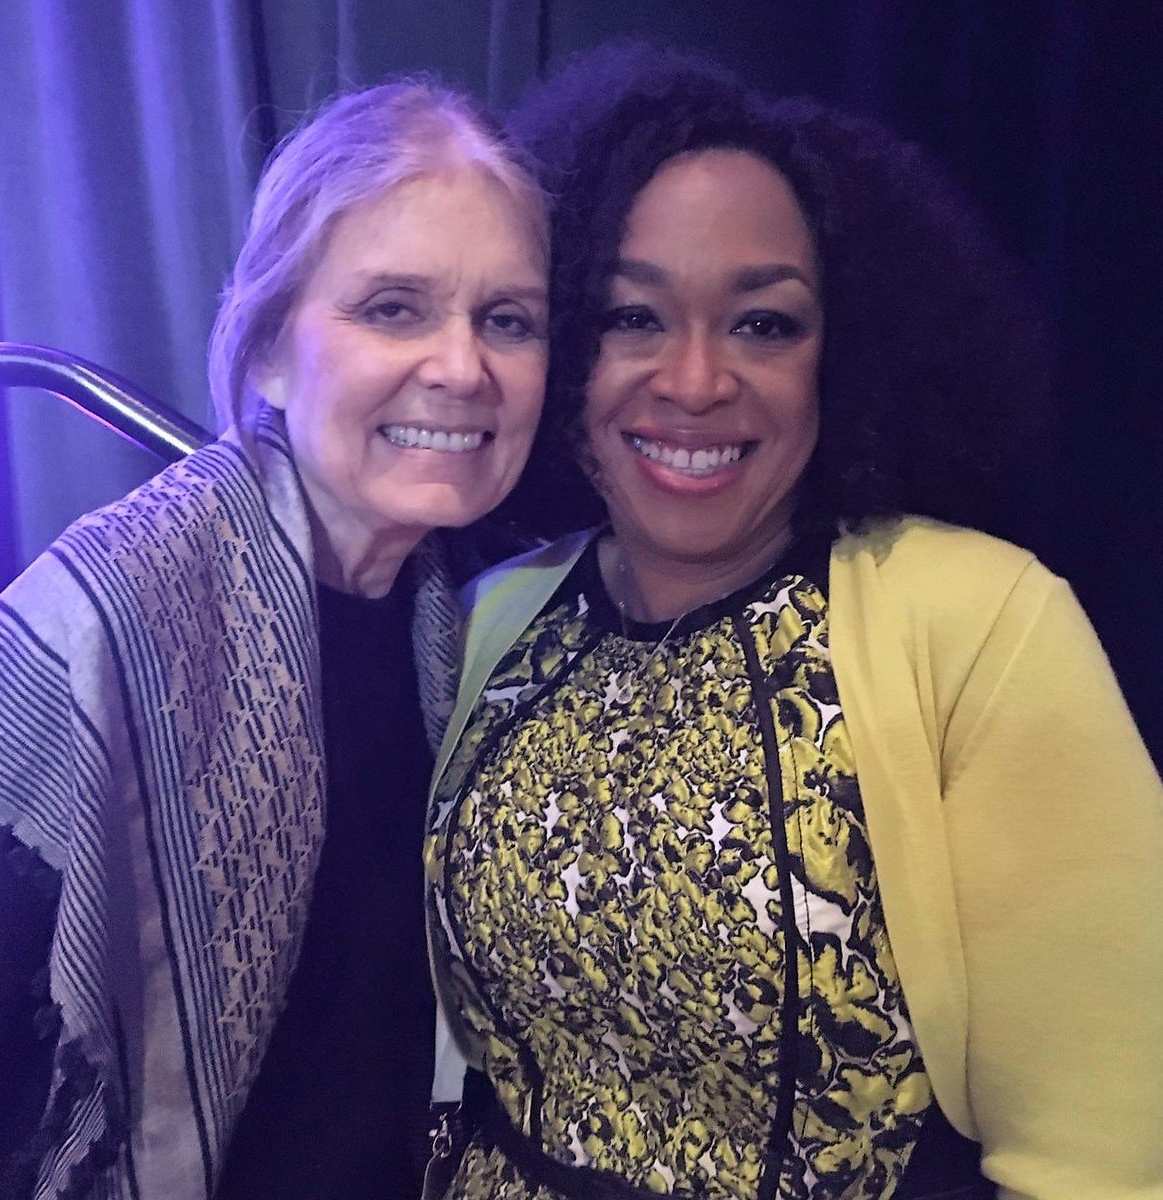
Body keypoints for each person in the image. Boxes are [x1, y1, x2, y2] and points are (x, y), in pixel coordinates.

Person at [422, 45, 1163, 1200]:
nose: (695, 381)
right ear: (560, 347)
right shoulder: (490, 620)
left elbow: (1103, 1155)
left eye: (763, 326)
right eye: (630, 316)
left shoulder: (976, 626)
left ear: (846, 356)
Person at [0, 80, 548, 1199]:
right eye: (394, 307)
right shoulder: (105, 623)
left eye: (506, 319)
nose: (464, 366)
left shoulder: (468, 619)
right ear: (271, 346)